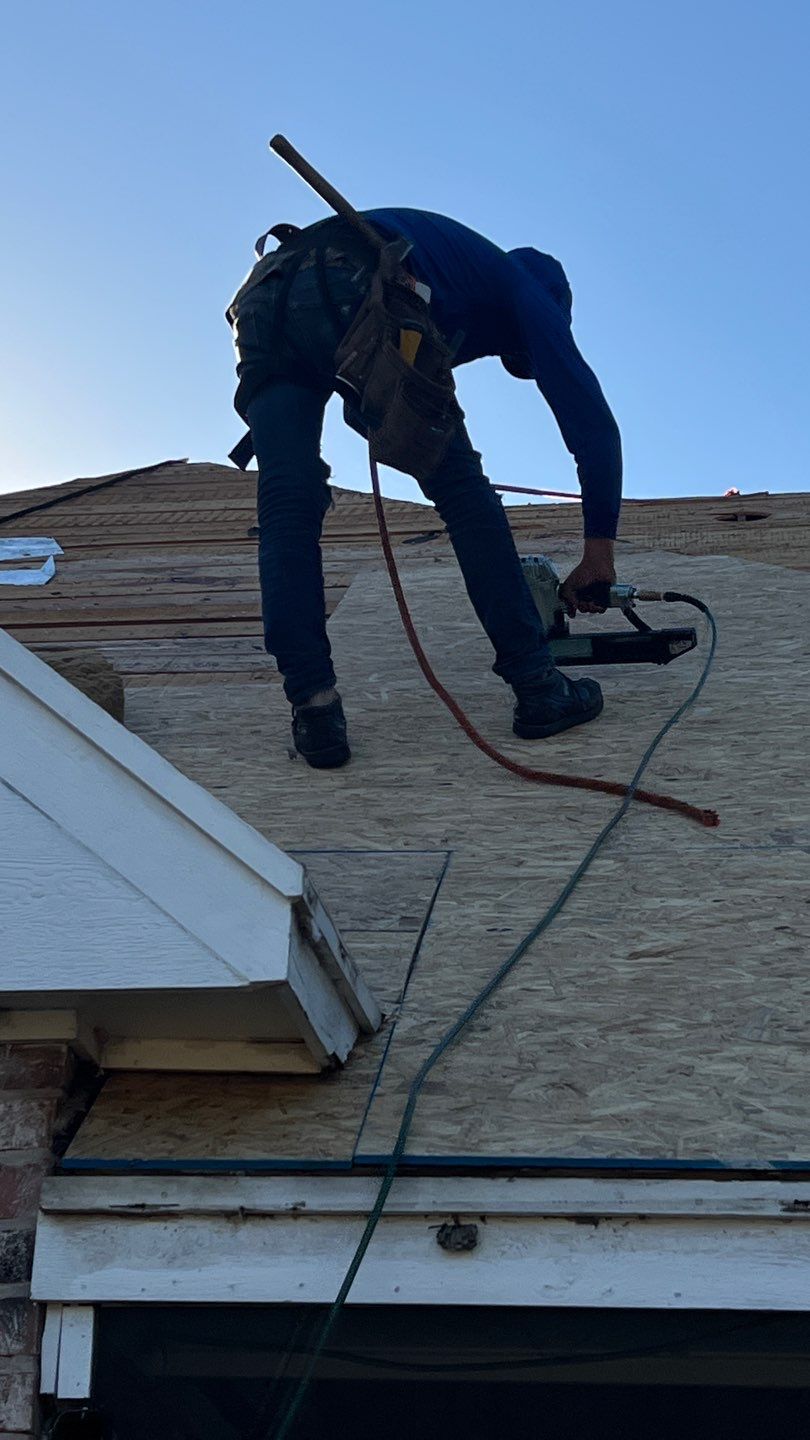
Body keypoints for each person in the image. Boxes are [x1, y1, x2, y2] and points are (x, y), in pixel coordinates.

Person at [228, 208, 622, 769]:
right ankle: (539, 688)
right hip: (353, 276)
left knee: (287, 502)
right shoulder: (525, 286)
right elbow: (591, 421)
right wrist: (599, 551)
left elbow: (368, 398)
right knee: (463, 492)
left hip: (266, 296)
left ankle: (314, 711)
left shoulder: (455, 271)